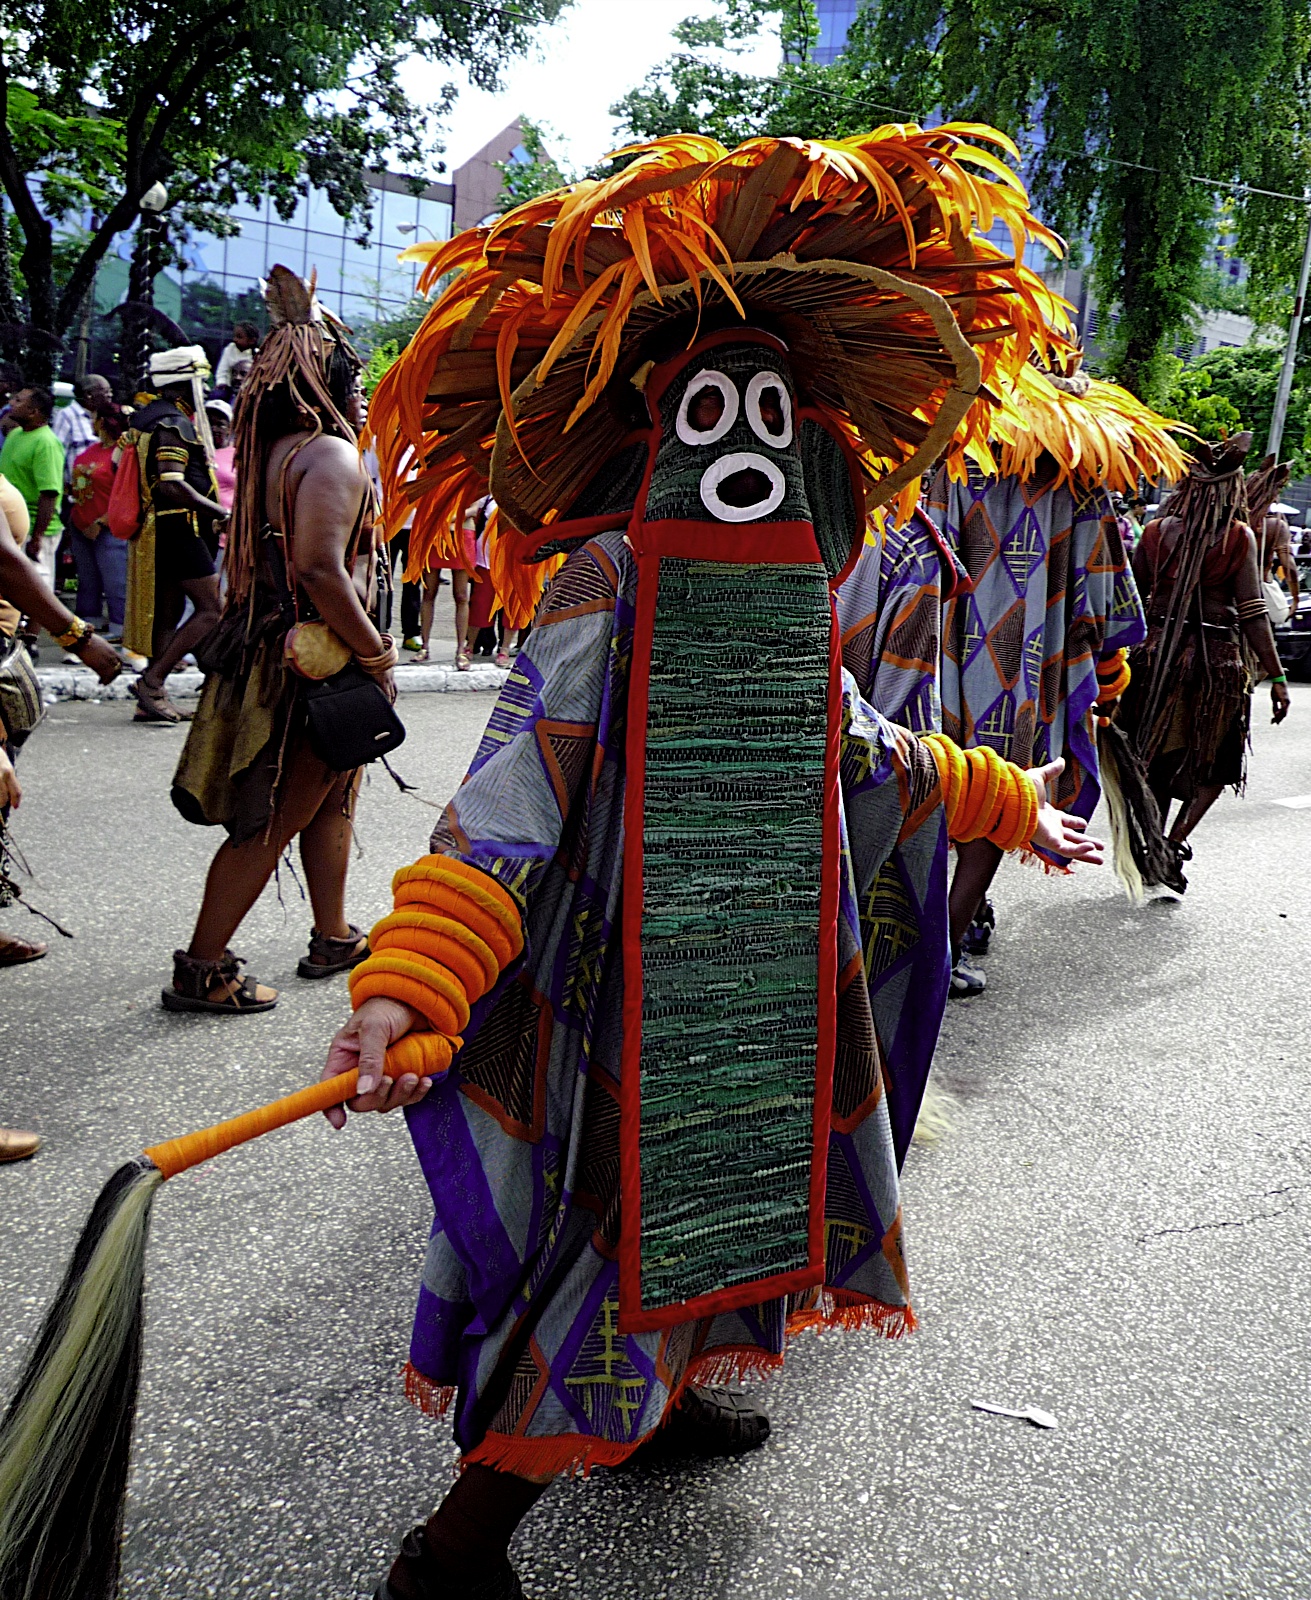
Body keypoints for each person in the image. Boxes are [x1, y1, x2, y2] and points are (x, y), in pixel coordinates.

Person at [323, 126, 1102, 1600]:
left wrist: (1006, 798)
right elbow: (510, 791)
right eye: (716, 406)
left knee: (730, 1219)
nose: (753, 442)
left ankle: (663, 1410)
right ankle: (451, 1553)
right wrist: (416, 976)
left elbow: (859, 747)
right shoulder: (605, 581)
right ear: (661, 424)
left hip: (761, 999)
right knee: (606, 1259)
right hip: (623, 1010)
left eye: (779, 411)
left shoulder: (791, 593)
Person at [165, 266, 393, 1013]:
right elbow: (318, 568)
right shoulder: (327, 453)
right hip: (311, 664)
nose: (360, 395)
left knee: (330, 802)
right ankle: (202, 968)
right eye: (352, 381)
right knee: (269, 822)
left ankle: (332, 935)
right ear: (324, 383)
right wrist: (376, 655)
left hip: (283, 651)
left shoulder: (276, 452)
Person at [929, 355, 1180, 994]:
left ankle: (932, 937)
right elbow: (1106, 593)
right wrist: (1101, 670)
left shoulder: (948, 449)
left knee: (933, 788)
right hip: (1023, 663)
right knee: (1001, 790)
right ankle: (947, 944)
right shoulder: (1075, 473)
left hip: (934, 650)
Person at [1116, 434, 1290, 891]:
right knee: (1214, 764)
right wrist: (1276, 674)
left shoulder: (1154, 531)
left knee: (1150, 756)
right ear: (1232, 489)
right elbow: (1251, 610)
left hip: (1153, 661)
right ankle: (1172, 842)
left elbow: (1129, 598)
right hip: (1216, 666)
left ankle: (1153, 838)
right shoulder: (1239, 536)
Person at [121, 347, 228, 723]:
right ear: (184, 382)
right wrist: (222, 513)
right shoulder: (172, 422)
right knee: (212, 609)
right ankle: (151, 681)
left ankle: (151, 700)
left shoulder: (148, 417)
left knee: (167, 614)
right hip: (179, 525)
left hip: (162, 528)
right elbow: (171, 484)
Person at [67, 400, 130, 646]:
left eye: (93, 418)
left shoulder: (121, 452)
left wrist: (101, 522)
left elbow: (125, 493)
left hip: (107, 527)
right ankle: (86, 623)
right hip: (80, 523)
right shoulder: (92, 449)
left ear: (102, 422)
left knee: (116, 580)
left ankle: (120, 626)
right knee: (87, 579)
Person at [0, 387, 65, 589]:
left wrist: (37, 537)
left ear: (33, 412)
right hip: (11, 524)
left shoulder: (46, 443)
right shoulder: (15, 435)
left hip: (36, 529)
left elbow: (49, 493)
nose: (12, 403)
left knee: (37, 586)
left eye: (19, 401)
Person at [213, 320, 260, 396]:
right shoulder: (229, 349)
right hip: (227, 388)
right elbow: (222, 370)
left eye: (239, 337)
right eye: (234, 336)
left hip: (247, 392)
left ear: (252, 341)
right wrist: (221, 383)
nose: (235, 339)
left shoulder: (257, 355)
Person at [205, 397, 236, 513]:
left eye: (220, 424)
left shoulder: (238, 455)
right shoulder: (195, 452)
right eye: (209, 423)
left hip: (230, 522)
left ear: (230, 428)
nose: (213, 429)